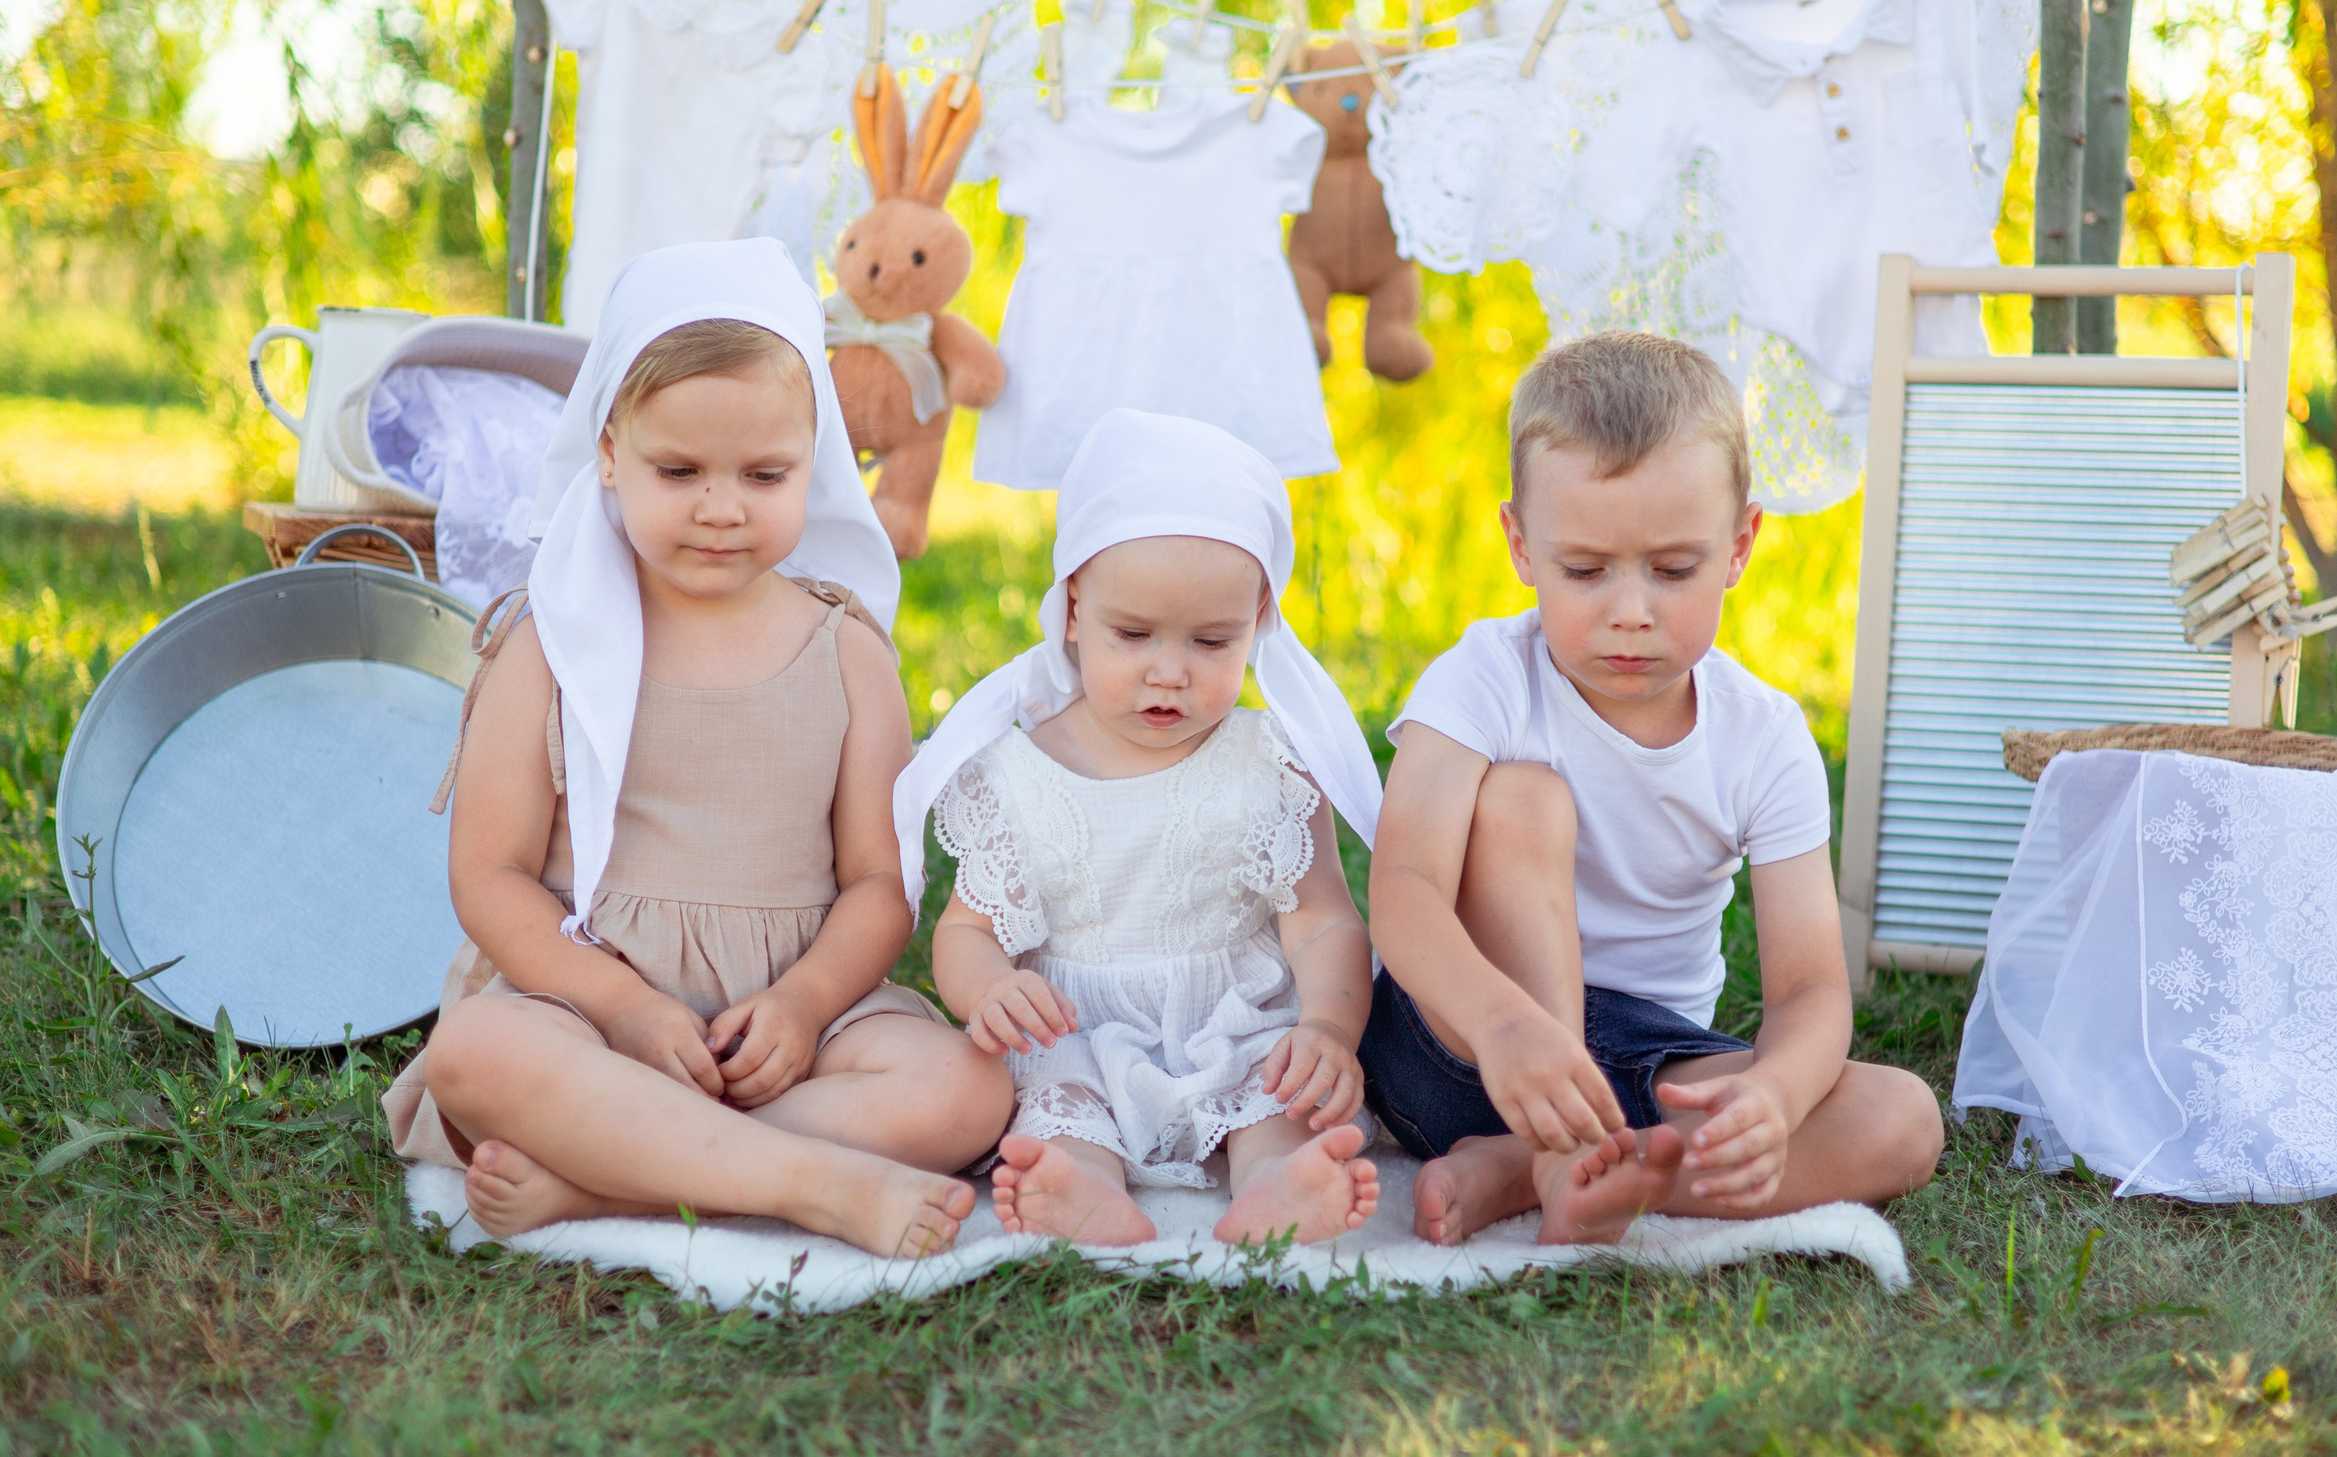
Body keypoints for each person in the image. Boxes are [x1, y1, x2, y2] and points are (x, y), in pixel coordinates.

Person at [382, 239, 1014, 1260]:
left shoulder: (846, 649)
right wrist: (623, 1008)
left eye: (765, 474)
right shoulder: (548, 643)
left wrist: (806, 1008)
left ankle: (601, 1180)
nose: (722, 508)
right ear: (607, 456)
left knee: (967, 1086)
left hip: (791, 1010)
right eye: (678, 471)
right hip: (586, 1010)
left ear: (816, 463)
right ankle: (806, 1181)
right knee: (479, 1053)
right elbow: (491, 877)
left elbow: (877, 885)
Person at [1360, 331, 1945, 1246]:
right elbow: (1401, 890)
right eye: (1585, 570)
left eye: (1673, 569)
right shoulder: (1485, 677)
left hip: (1644, 1062)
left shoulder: (1764, 735)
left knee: (1903, 1118)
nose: (1629, 609)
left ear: (1740, 544)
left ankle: (1551, 1170)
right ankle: (1548, 1152)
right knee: (1524, 799)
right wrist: (1506, 1026)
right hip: (1458, 1043)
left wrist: (1773, 1097)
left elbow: (1809, 988)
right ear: (1520, 543)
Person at [898, 410, 1386, 1247]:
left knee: (1273, 1096)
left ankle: (1278, 1181)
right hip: (1075, 1028)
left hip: (1232, 1018)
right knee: (1062, 1109)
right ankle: (1080, 1188)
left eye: (1211, 639)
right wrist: (990, 988)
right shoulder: (1017, 774)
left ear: (1258, 619)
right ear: (1075, 609)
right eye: (1135, 634)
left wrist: (1329, 1029)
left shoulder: (1261, 763)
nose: (1171, 670)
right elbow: (969, 931)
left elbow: (1327, 920)